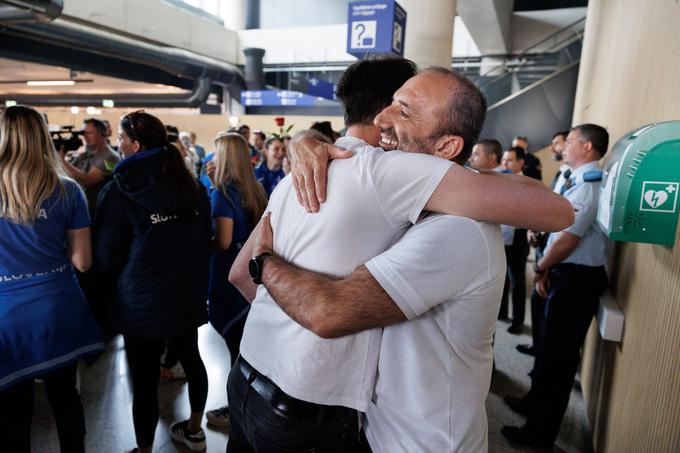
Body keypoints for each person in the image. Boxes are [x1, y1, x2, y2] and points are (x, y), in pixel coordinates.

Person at [226, 58, 573, 452]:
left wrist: (267, 265)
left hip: (265, 385)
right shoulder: (382, 173)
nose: (384, 119)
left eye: (402, 110)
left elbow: (249, 278)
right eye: (390, 103)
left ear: (447, 146)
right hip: (338, 417)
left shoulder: (453, 221)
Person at [94, 111, 211, 453]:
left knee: (144, 382)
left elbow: (105, 257)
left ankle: (144, 450)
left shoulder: (119, 190)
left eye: (120, 138)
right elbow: (203, 241)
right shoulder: (191, 186)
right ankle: (194, 429)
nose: (118, 144)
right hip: (185, 294)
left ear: (135, 145)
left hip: (140, 302)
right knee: (192, 359)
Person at [0, 105, 104, 453]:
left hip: (7, 315)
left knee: (14, 410)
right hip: (58, 308)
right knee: (65, 397)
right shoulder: (68, 190)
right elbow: (83, 262)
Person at [502, 124, 610, 447]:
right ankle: (532, 405)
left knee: (558, 361)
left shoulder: (589, 187)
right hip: (565, 272)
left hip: (575, 279)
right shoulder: (575, 179)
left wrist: (542, 268)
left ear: (588, 147)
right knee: (548, 350)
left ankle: (539, 433)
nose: (564, 146)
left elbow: (567, 240)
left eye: (572, 141)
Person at [204, 133, 267, 428]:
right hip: (253, 276)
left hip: (228, 275)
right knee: (245, 346)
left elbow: (223, 241)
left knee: (234, 348)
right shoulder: (255, 188)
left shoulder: (223, 193)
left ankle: (235, 410)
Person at [519, 129, 571, 356]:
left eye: (560, 142)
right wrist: (535, 227)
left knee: (554, 326)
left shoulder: (580, 181)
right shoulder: (563, 175)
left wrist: (542, 267)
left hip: (559, 260)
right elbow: (550, 207)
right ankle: (537, 348)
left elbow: (568, 236)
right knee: (540, 309)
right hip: (545, 249)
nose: (555, 148)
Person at [499, 146, 531, 333]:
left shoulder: (527, 183)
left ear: (520, 163)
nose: (505, 163)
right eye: (504, 160)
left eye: (509, 160)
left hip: (518, 236)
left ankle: (518, 321)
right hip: (501, 234)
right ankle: (501, 312)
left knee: (517, 279)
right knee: (499, 277)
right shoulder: (500, 179)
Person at [60, 117, 121, 210]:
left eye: (90, 133)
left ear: (102, 134)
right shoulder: (85, 155)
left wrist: (61, 160)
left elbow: (87, 181)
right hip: (80, 209)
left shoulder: (111, 157)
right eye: (84, 133)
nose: (85, 136)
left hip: (98, 212)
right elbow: (64, 173)